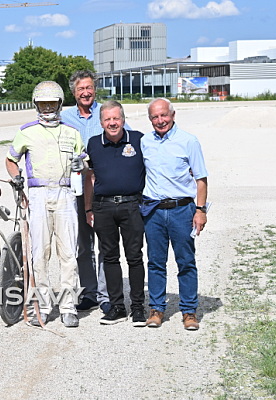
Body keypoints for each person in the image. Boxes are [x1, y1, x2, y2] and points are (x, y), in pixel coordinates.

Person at [5, 81, 86, 328]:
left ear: (60, 104)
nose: (48, 108)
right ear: (36, 105)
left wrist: (81, 165)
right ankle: (42, 306)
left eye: (52, 103)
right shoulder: (26, 132)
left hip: (65, 194)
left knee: (68, 253)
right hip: (38, 194)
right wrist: (16, 177)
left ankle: (68, 307)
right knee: (39, 254)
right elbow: (10, 160)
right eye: (43, 104)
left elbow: (83, 160)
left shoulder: (72, 132)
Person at [141, 98, 208, 331]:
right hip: (154, 211)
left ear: (173, 115)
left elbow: (201, 179)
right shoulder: (145, 142)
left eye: (164, 115)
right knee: (155, 262)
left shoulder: (189, 141)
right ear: (150, 119)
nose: (160, 120)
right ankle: (156, 308)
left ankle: (189, 311)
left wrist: (200, 210)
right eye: (155, 117)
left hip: (182, 210)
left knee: (186, 262)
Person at [83, 101, 146, 326]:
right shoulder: (93, 144)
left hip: (132, 206)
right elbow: (90, 178)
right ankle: (117, 307)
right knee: (109, 257)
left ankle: (138, 307)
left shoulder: (138, 140)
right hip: (103, 207)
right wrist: (88, 208)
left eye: (116, 118)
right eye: (107, 119)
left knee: (134, 257)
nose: (112, 123)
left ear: (123, 120)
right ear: (101, 123)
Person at [61, 70, 112, 314]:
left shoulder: (106, 112)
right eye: (81, 89)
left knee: (106, 244)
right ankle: (89, 292)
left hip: (104, 187)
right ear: (74, 92)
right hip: (76, 190)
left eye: (89, 87)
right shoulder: (64, 117)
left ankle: (105, 294)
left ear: (95, 89)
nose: (85, 92)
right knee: (83, 245)